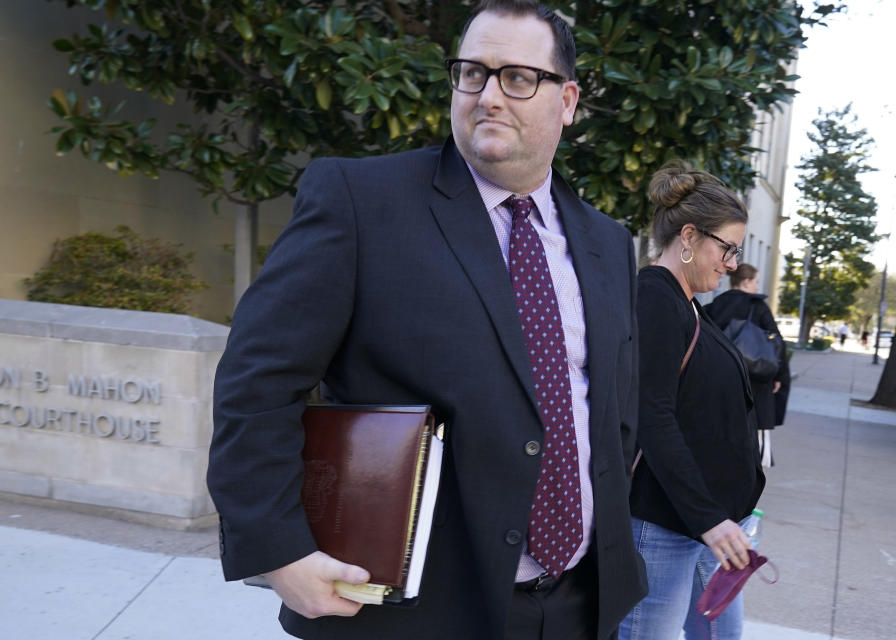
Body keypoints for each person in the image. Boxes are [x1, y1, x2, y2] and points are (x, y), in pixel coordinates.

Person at [207, 2, 647, 639]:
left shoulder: (607, 242)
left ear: (568, 100)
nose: (490, 96)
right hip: (412, 609)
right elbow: (256, 383)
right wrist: (279, 548)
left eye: (518, 78)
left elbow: (613, 410)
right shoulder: (360, 202)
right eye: (473, 73)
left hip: (578, 605)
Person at [619, 161, 765, 640]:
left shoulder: (686, 303)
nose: (731, 263)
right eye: (726, 248)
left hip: (711, 529)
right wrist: (710, 519)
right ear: (688, 236)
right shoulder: (656, 299)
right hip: (670, 528)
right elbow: (653, 417)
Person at [705, 263, 791, 468]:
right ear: (746, 281)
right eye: (756, 282)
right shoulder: (757, 306)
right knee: (753, 447)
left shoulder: (715, 304)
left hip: (720, 382)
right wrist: (779, 376)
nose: (756, 287)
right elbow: (776, 343)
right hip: (755, 383)